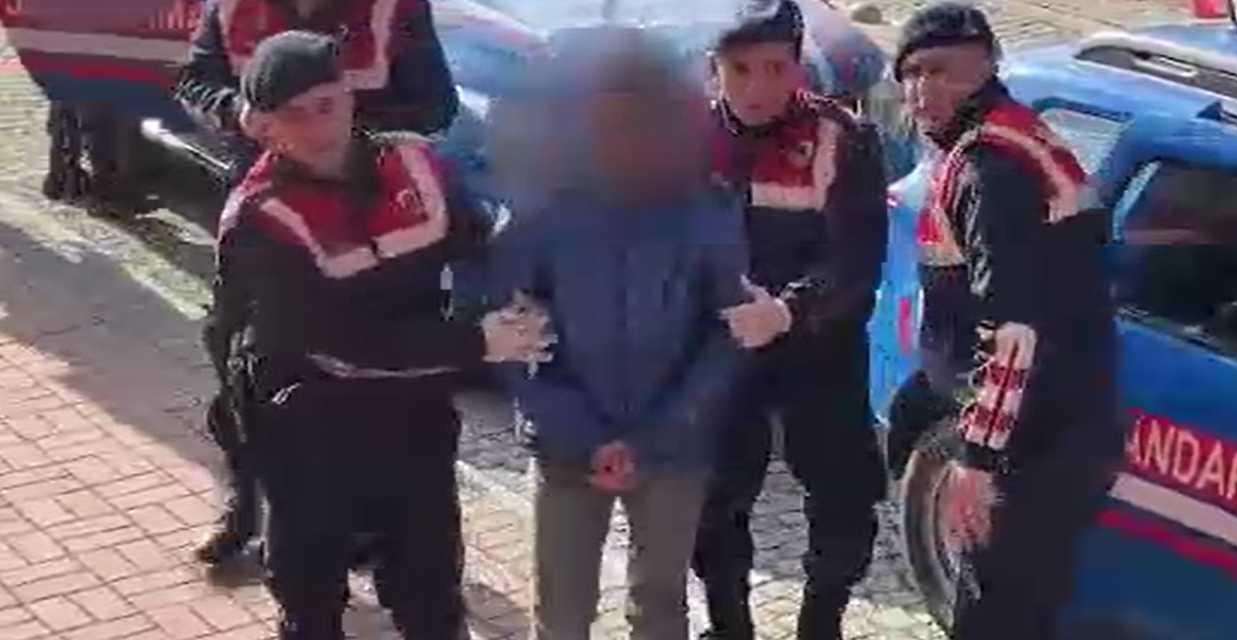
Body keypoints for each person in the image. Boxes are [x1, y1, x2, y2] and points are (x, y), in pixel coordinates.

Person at [209, 31, 548, 638]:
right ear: (264, 125)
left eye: (327, 103)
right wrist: (477, 343)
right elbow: (335, 342)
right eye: (295, 114)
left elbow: (477, 238)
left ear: (349, 94)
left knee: (431, 593)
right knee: (310, 599)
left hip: (413, 421)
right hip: (308, 427)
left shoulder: (415, 164)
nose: (319, 126)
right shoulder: (261, 216)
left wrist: (519, 288)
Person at [174, 0, 460, 566]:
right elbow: (193, 80)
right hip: (267, 221)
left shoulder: (394, 7)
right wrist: (238, 111)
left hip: (369, 225)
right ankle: (243, 501)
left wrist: (335, 125)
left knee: (364, 370)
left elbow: (435, 104)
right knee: (239, 357)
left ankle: (371, 524)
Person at [487, 26, 750, 640]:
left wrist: (654, 435)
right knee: (562, 611)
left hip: (675, 446)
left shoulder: (705, 207)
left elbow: (727, 331)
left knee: (660, 607)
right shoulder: (538, 210)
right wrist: (587, 433)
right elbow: (510, 339)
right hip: (565, 447)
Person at [893, 4, 1123, 638]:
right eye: (911, 74)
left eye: (942, 70)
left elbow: (1012, 333)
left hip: (1031, 444)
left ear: (989, 64)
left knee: (993, 616)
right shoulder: (1015, 135)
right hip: (1064, 425)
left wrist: (978, 460)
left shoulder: (989, 170)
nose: (922, 90)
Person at [690, 2, 889, 639]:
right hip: (720, 349)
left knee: (845, 498)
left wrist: (787, 310)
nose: (758, 87)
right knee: (711, 505)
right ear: (713, 68)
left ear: (799, 67)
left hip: (819, 344)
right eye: (740, 69)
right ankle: (729, 626)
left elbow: (856, 260)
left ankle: (820, 622)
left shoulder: (842, 137)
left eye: (776, 68)